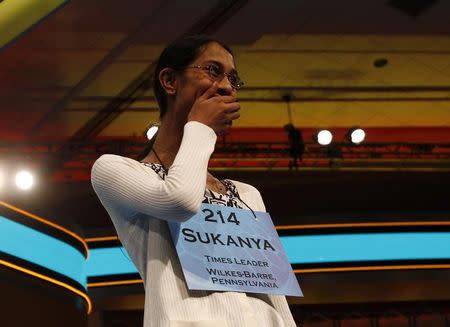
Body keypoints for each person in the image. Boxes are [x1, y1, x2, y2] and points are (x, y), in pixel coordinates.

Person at [91, 35, 296, 327]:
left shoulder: (247, 193)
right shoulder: (115, 170)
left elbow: (274, 297)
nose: (226, 86)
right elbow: (180, 202)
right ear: (170, 81)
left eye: (233, 79)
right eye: (213, 70)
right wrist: (200, 127)